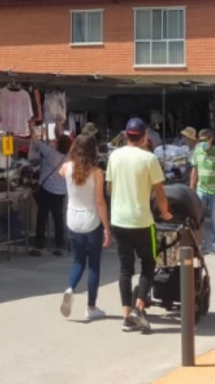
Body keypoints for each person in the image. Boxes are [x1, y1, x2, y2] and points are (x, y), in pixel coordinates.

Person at [106, 118, 172, 334]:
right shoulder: (149, 159)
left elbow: (109, 187)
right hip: (142, 221)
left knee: (125, 268)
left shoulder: (114, 156)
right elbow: (160, 192)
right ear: (144, 137)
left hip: (119, 220)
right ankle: (139, 308)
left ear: (126, 135)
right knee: (148, 263)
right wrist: (165, 212)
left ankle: (127, 316)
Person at [58, 131, 110, 321]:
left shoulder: (66, 168)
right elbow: (100, 202)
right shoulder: (97, 173)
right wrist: (107, 227)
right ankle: (91, 307)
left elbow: (62, 172)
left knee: (78, 261)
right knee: (94, 265)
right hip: (91, 220)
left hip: (72, 218)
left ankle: (70, 288)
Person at [24, 117, 71, 257]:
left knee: (42, 217)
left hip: (47, 190)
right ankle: (60, 246)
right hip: (61, 191)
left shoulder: (50, 153)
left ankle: (39, 247)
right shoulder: (69, 156)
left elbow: (35, 141)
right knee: (58, 219)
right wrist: (59, 125)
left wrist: (31, 126)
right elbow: (62, 138)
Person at [189, 129, 215, 254]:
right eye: (200, 141)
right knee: (198, 218)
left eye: (205, 140)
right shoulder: (197, 152)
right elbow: (194, 170)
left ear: (211, 139)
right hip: (201, 189)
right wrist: (192, 188)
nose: (202, 143)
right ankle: (202, 245)